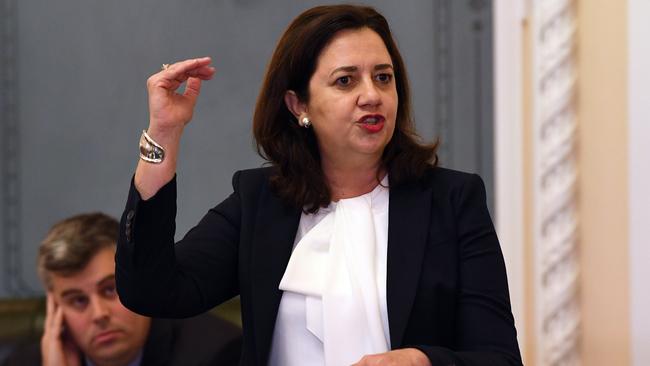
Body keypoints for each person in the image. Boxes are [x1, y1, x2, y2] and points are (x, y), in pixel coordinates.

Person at [116, 4, 522, 366]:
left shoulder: (451, 201)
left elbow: (499, 357)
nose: (371, 96)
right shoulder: (261, 201)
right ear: (299, 105)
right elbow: (151, 290)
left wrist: (422, 360)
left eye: (383, 78)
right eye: (346, 81)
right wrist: (164, 134)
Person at [3, 213, 242, 366]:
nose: (99, 315)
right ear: (55, 310)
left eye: (110, 290)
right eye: (77, 301)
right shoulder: (26, 362)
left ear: (136, 280)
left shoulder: (215, 353)